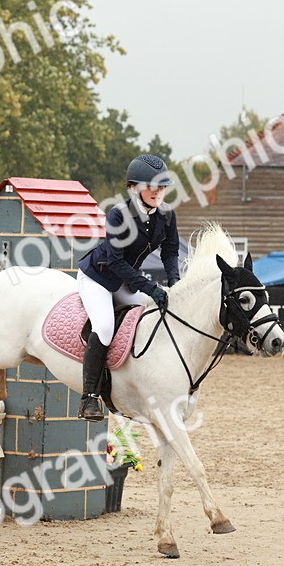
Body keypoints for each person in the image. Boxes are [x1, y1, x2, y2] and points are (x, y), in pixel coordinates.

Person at [75, 154, 180, 421]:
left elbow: (170, 252)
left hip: (124, 280)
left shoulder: (166, 215)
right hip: (98, 278)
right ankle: (89, 398)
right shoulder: (118, 214)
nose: (158, 192)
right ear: (133, 187)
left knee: (151, 311)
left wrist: (174, 282)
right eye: (151, 186)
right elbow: (116, 262)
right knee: (105, 327)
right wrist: (149, 287)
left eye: (162, 186)